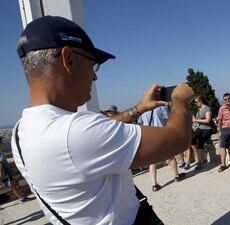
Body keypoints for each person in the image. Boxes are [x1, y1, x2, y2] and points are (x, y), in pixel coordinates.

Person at [12, 16, 194, 224]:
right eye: (93, 64)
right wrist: (179, 100)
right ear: (68, 58)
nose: (95, 77)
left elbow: (98, 137)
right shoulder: (74, 133)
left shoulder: (21, 131)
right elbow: (178, 139)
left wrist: (138, 109)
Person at [137, 104, 185, 192]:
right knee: (171, 155)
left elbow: (140, 123)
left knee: (152, 161)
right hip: (161, 134)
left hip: (149, 136)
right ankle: (177, 176)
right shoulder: (161, 106)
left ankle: (154, 184)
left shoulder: (142, 108)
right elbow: (167, 119)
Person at [181, 96, 213, 171]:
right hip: (200, 128)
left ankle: (199, 163)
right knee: (192, 140)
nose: (195, 103)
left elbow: (208, 120)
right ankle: (198, 156)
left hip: (207, 128)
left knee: (201, 143)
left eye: (196, 102)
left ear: (200, 101)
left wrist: (196, 120)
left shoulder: (207, 108)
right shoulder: (199, 109)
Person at [0, 137, 28, 203]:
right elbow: (0, 164)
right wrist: (1, 175)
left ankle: (22, 197)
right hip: (5, 173)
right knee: (13, 186)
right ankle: (22, 198)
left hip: (6, 173)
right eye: (1, 141)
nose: (3, 142)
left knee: (13, 185)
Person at [216, 93, 230, 172]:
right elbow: (220, 120)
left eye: (229, 98)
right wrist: (219, 131)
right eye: (225, 99)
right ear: (224, 100)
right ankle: (223, 164)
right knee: (222, 146)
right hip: (225, 128)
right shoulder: (222, 108)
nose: (227, 100)